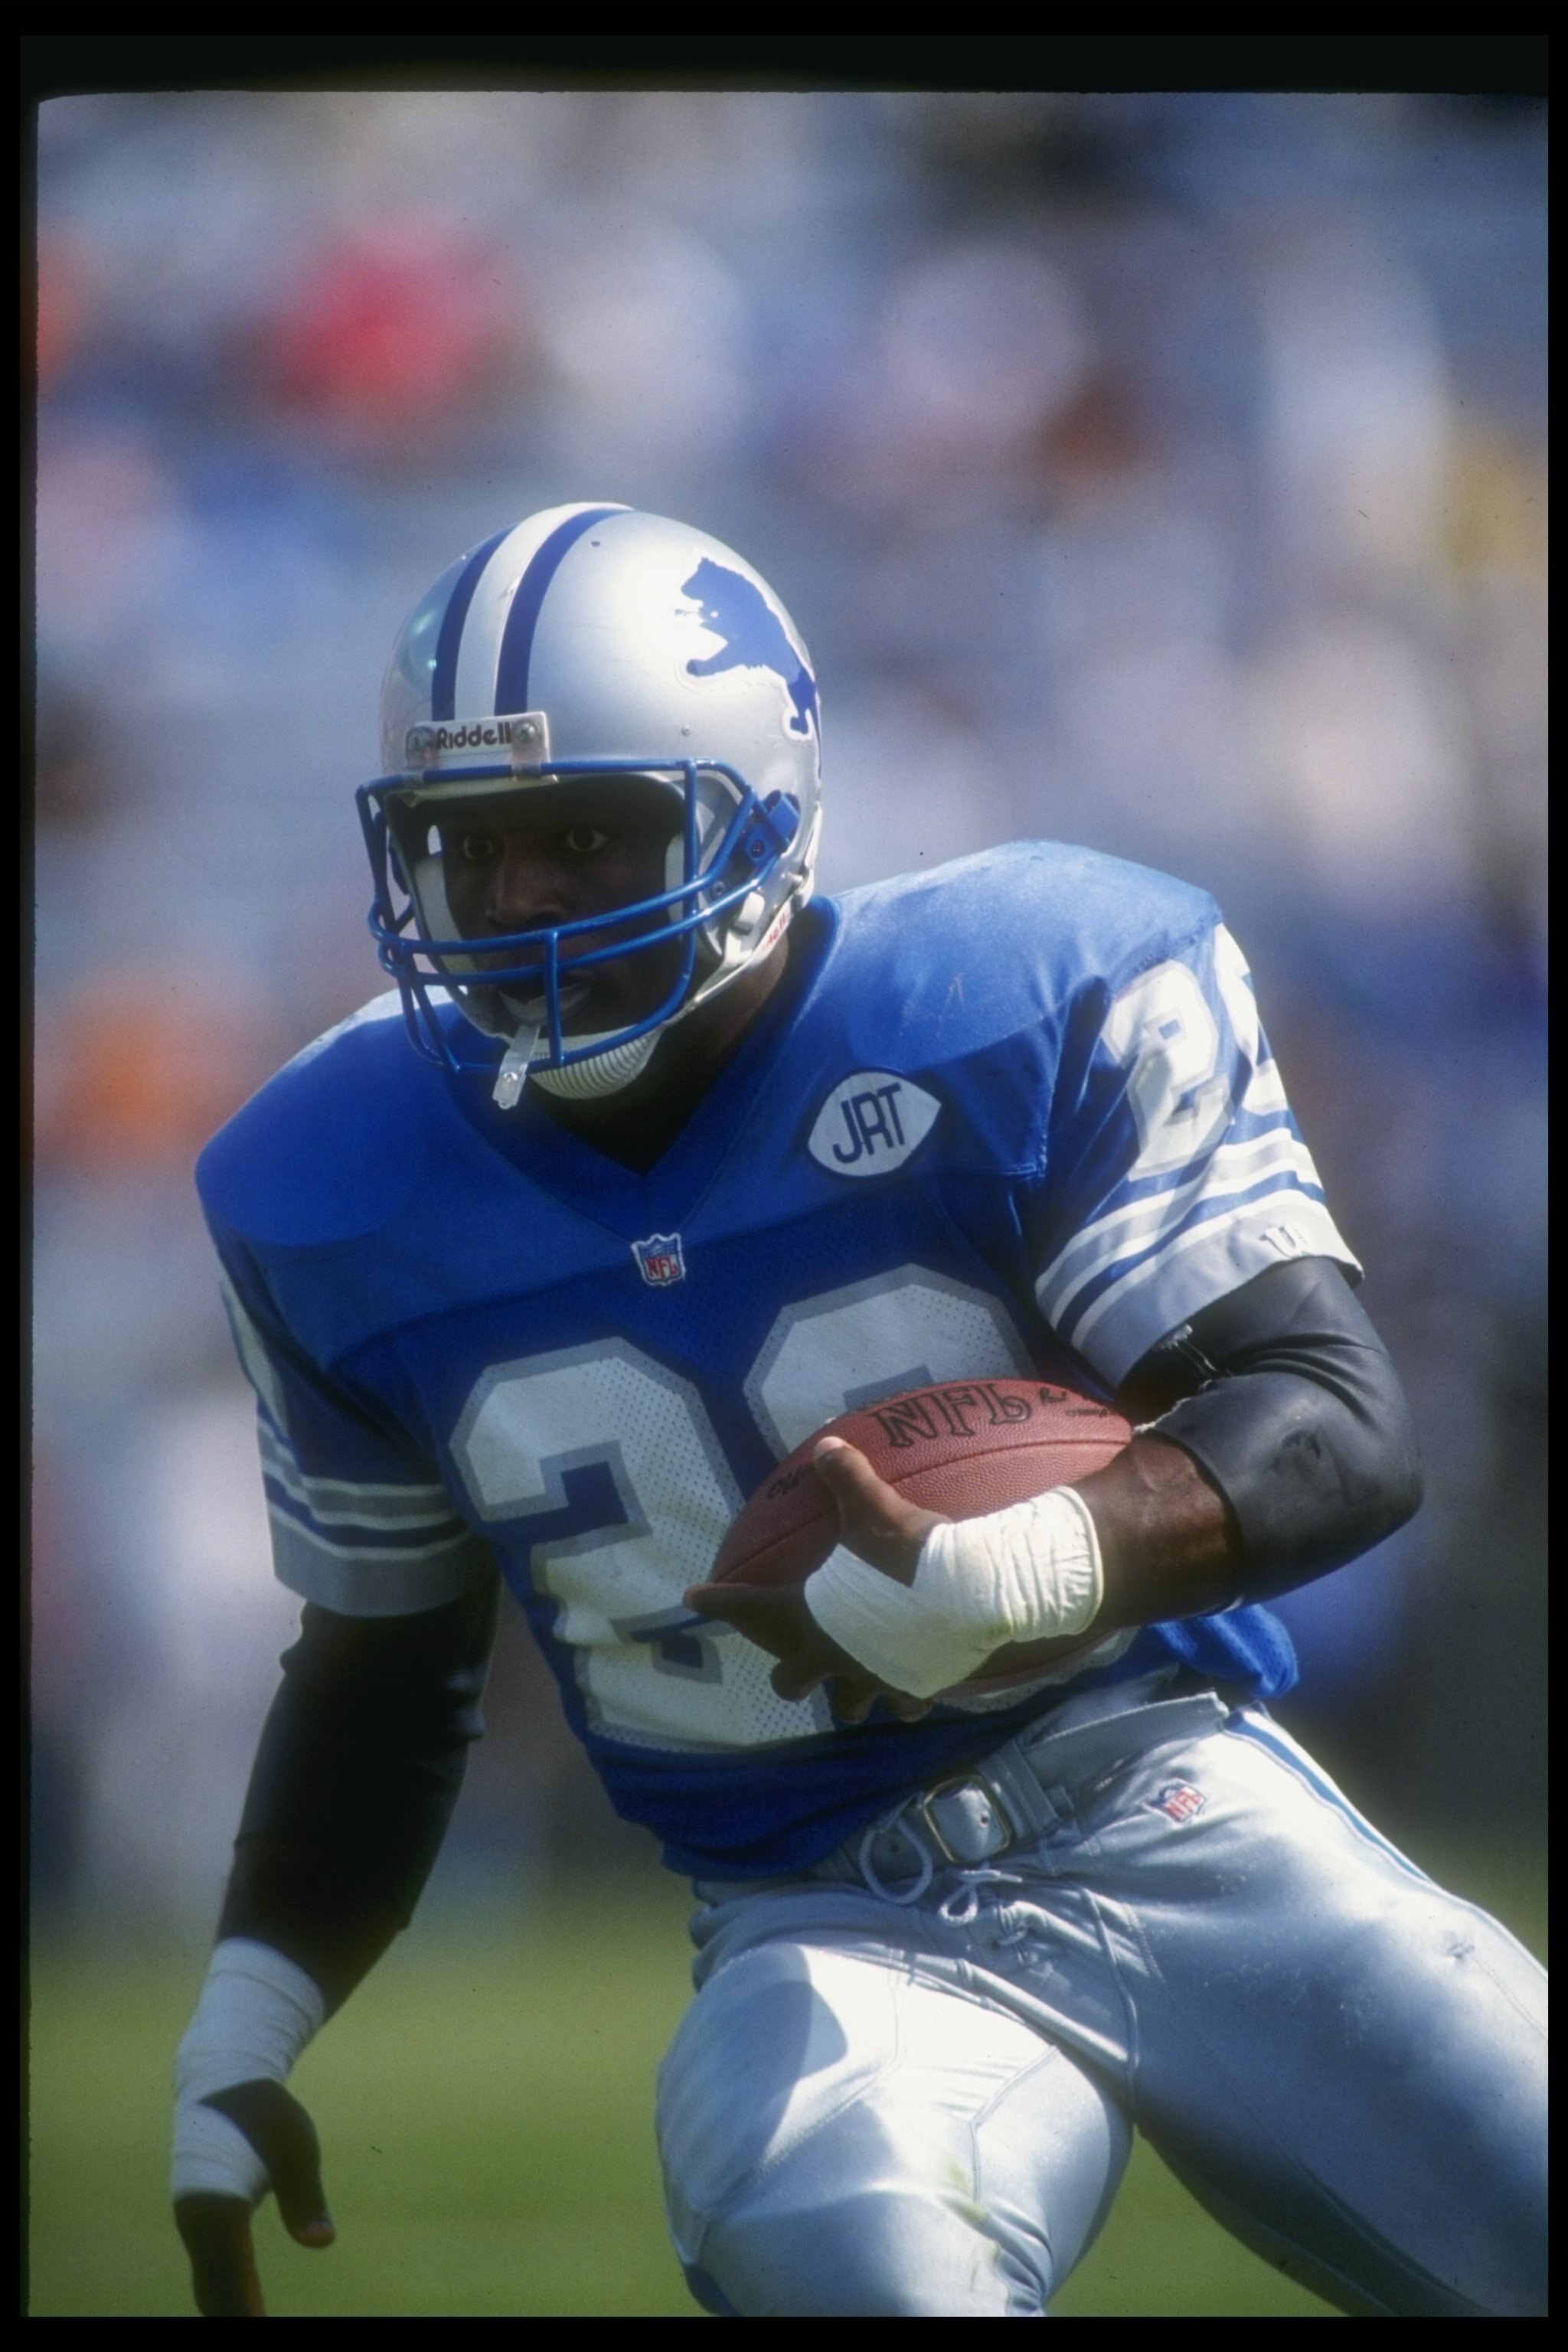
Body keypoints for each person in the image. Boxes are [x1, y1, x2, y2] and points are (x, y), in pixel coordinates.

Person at [170, 503, 1546, 2318]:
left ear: (756, 807)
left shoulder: (1014, 998)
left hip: (1176, 1801)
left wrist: (1010, 1574)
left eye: (583, 838)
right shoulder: (328, 1182)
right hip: (818, 1920)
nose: (514, 907)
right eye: (467, 851)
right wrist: (249, 2019)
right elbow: (383, 1664)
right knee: (849, 2259)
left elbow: (1332, 1417)